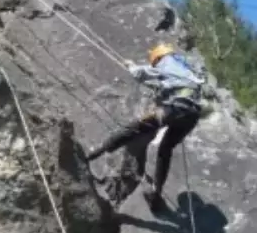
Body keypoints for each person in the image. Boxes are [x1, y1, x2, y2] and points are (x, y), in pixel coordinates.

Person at [84, 43, 206, 212]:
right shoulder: (185, 69)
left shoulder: (167, 61)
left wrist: (131, 66)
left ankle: (95, 152)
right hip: (192, 114)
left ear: (158, 58)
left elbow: (142, 73)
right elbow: (165, 84)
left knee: (135, 128)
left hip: (176, 107)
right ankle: (156, 192)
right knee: (166, 149)